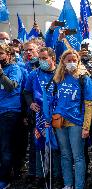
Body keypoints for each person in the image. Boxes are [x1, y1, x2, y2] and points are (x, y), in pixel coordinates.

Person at [51, 49, 92, 189]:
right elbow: (52, 100)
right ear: (63, 61)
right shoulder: (58, 78)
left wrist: (86, 126)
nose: (71, 63)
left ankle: (79, 186)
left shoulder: (84, 78)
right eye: (69, 60)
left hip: (76, 122)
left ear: (79, 62)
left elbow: (88, 104)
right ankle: (68, 185)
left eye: (74, 60)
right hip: (59, 121)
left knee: (78, 157)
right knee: (65, 155)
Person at [23, 47, 62, 188]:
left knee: (56, 146)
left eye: (45, 58)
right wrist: (31, 103)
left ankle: (58, 176)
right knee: (39, 145)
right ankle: (40, 175)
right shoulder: (34, 74)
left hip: (57, 116)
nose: (42, 61)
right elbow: (26, 92)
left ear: (53, 58)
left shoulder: (61, 73)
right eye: (40, 58)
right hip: (39, 115)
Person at [0, 44, 23, 189]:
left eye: (1, 53)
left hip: (9, 112)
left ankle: (5, 178)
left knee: (5, 147)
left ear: (8, 55)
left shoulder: (15, 69)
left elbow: (11, 86)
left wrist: (1, 74)